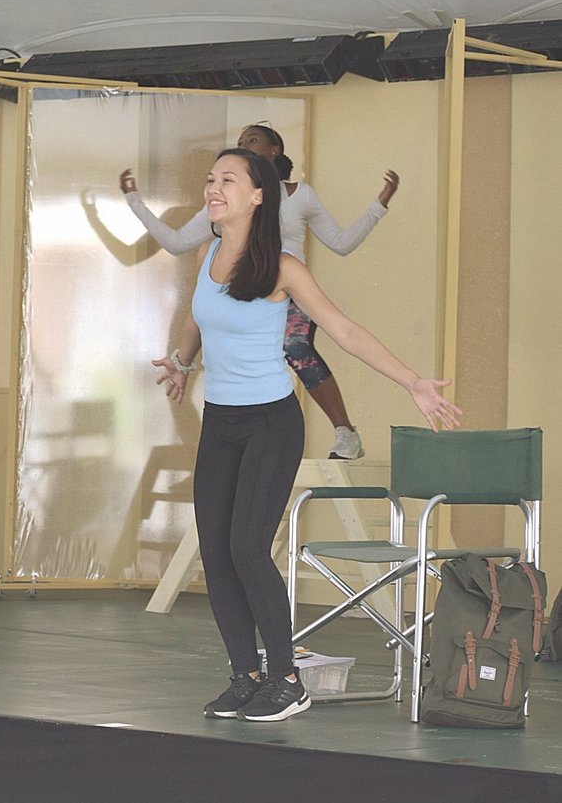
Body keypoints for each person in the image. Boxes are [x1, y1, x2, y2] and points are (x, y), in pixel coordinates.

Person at [153, 147, 459, 722]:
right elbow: (199, 315)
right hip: (220, 421)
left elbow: (344, 330)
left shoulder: (283, 268)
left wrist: (412, 381)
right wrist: (182, 362)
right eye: (211, 179)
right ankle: (245, 675)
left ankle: (287, 681)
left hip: (270, 422)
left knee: (247, 548)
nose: (213, 188)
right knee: (216, 552)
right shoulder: (210, 252)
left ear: (258, 196)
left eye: (227, 180)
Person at [122, 123, 399, 459]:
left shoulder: (300, 195)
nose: (244, 145)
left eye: (253, 140)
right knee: (221, 347)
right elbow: (178, 242)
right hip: (242, 293)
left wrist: (378, 207)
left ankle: (344, 432)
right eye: (240, 142)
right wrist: (134, 202)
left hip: (287, 291)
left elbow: (341, 244)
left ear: (274, 150)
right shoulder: (223, 204)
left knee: (295, 345)